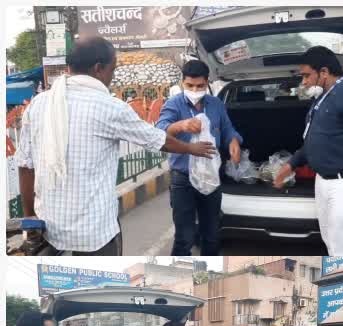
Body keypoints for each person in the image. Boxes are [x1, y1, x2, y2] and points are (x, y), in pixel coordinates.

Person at [15, 36, 216, 254]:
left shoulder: (39, 104)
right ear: (99, 68)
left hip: (48, 229)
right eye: (113, 70)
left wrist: (29, 217)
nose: (112, 77)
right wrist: (190, 148)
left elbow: (25, 165)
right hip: (95, 233)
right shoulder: (110, 107)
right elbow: (157, 139)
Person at [273, 46, 343, 256]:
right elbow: (314, 140)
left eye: (307, 75)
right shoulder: (323, 97)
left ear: (324, 72)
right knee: (332, 242)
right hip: (324, 182)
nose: (303, 82)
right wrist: (290, 165)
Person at [157, 60, 243, 256]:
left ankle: (211, 271)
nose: (195, 90)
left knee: (211, 233)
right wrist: (181, 125)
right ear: (182, 83)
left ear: (207, 83)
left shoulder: (216, 104)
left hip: (211, 177)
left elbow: (228, 128)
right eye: (190, 86)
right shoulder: (174, 104)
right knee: (184, 237)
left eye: (200, 86)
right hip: (183, 178)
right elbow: (160, 131)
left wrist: (233, 141)